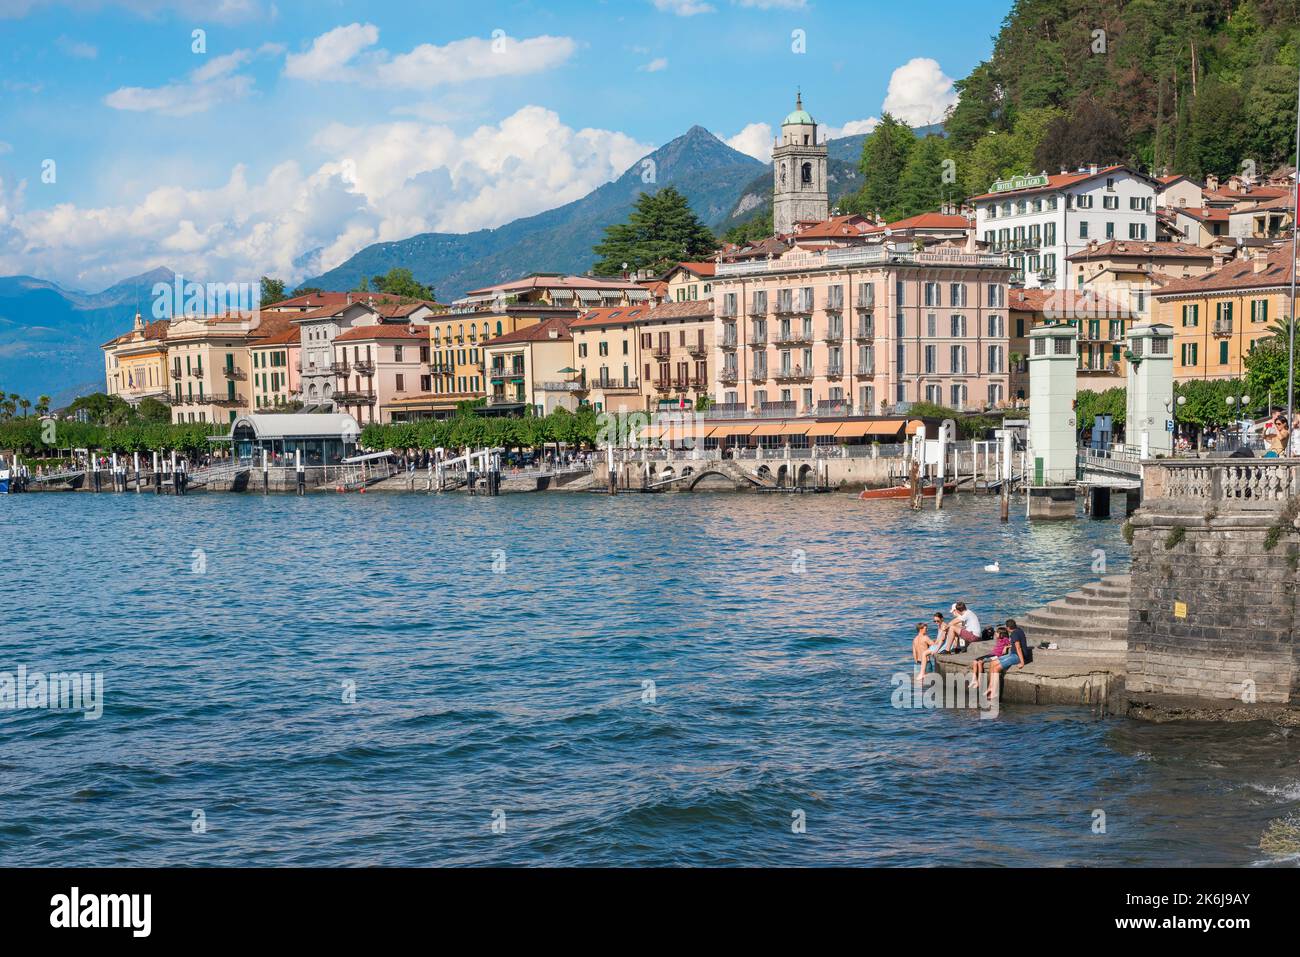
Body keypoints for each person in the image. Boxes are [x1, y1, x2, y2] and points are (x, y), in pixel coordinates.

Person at [986, 621, 1033, 699]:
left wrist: (1022, 662)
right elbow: (1014, 644)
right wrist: (1006, 647)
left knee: (996, 668)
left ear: (1008, 628)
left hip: (1016, 656)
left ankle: (994, 692)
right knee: (993, 663)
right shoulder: (1018, 630)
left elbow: (1018, 647)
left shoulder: (1014, 634)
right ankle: (990, 686)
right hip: (1012, 654)